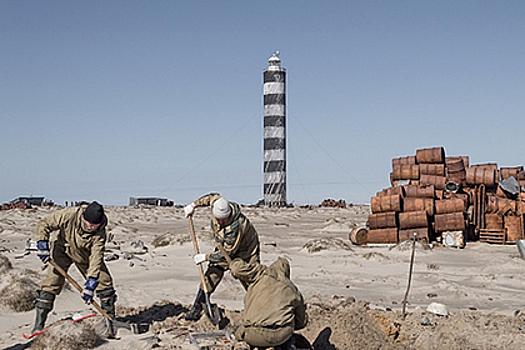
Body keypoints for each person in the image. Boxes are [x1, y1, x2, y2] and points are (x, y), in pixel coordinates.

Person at [31, 201, 117, 334]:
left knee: (104, 282)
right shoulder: (69, 215)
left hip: (84, 255)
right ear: (83, 217)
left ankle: (110, 322)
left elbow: (96, 257)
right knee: (51, 283)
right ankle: (38, 325)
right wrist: (42, 243)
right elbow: (44, 224)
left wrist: (91, 282)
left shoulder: (100, 233)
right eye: (88, 223)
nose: (90, 227)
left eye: (94, 225)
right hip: (61, 249)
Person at [183, 193, 260, 321]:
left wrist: (206, 257)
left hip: (247, 250)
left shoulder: (235, 227)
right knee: (212, 273)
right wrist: (193, 205)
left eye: (223, 220)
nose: (220, 222)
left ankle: (260, 307)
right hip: (224, 246)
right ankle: (197, 308)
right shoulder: (217, 203)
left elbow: (226, 254)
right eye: (218, 219)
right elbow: (210, 198)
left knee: (249, 277)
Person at [229, 257, 308, 349]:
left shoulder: (261, 273)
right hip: (281, 336)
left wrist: (236, 260)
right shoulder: (292, 288)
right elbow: (301, 322)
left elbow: (236, 268)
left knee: (239, 333)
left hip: (254, 335)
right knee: (288, 331)